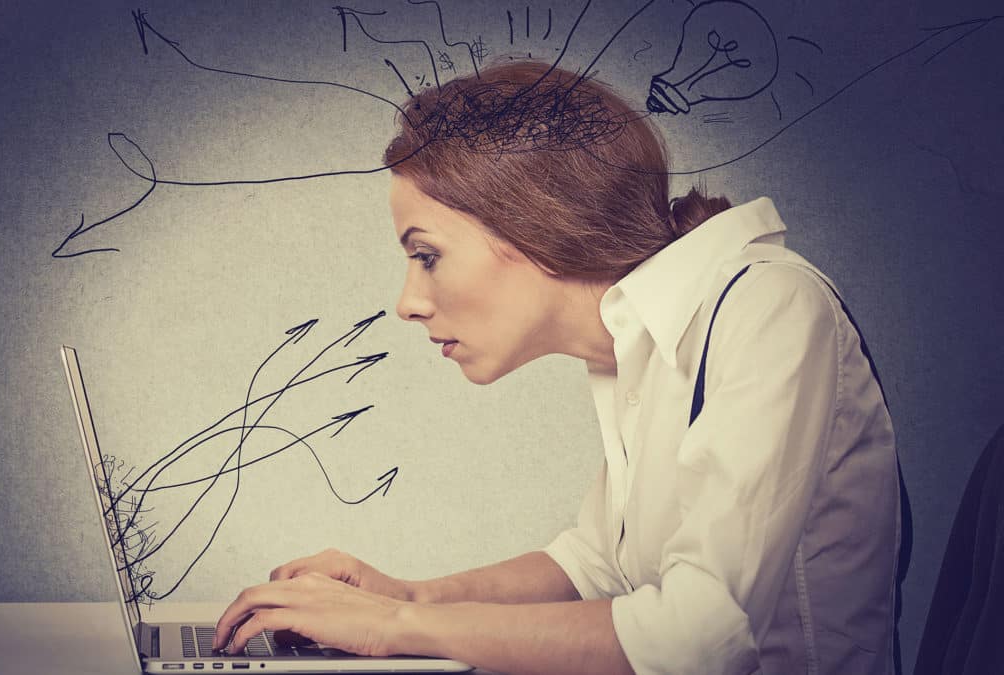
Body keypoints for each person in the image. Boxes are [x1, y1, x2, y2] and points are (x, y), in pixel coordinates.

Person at [212, 59, 906, 674]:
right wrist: (406, 594)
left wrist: (394, 628)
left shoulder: (770, 306)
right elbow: (594, 564)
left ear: (532, 222)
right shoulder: (628, 346)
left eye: (426, 255)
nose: (407, 303)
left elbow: (697, 639)